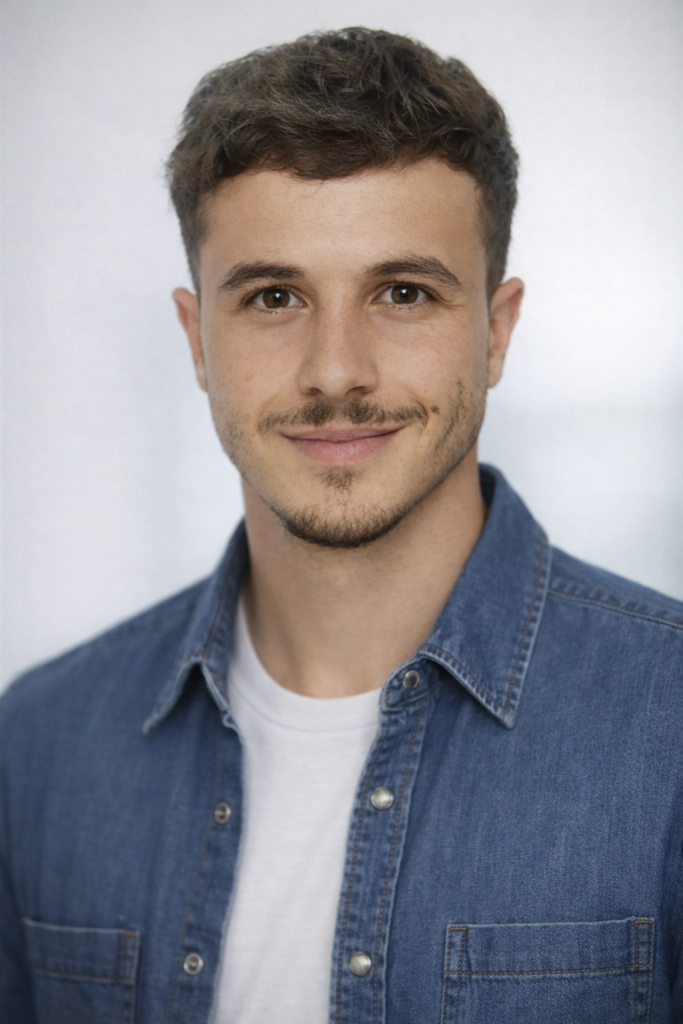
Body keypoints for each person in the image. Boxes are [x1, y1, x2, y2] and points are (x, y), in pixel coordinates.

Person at [1, 25, 681, 1024]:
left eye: (402, 293)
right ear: (197, 340)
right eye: (273, 296)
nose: (334, 371)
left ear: (495, 332)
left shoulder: (666, 722)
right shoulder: (38, 745)